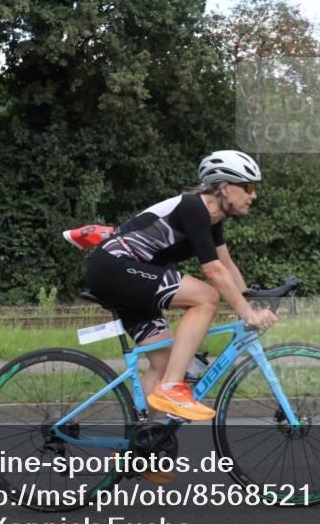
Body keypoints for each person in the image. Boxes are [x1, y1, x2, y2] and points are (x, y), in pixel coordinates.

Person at [86, 150, 279, 423]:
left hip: (127, 276)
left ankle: (139, 445)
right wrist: (246, 311)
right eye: (248, 186)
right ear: (224, 187)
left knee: (164, 361)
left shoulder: (213, 221)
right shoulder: (193, 207)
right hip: (114, 266)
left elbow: (226, 266)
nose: (254, 195)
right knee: (206, 297)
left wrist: (252, 305)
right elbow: (213, 272)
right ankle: (172, 389)